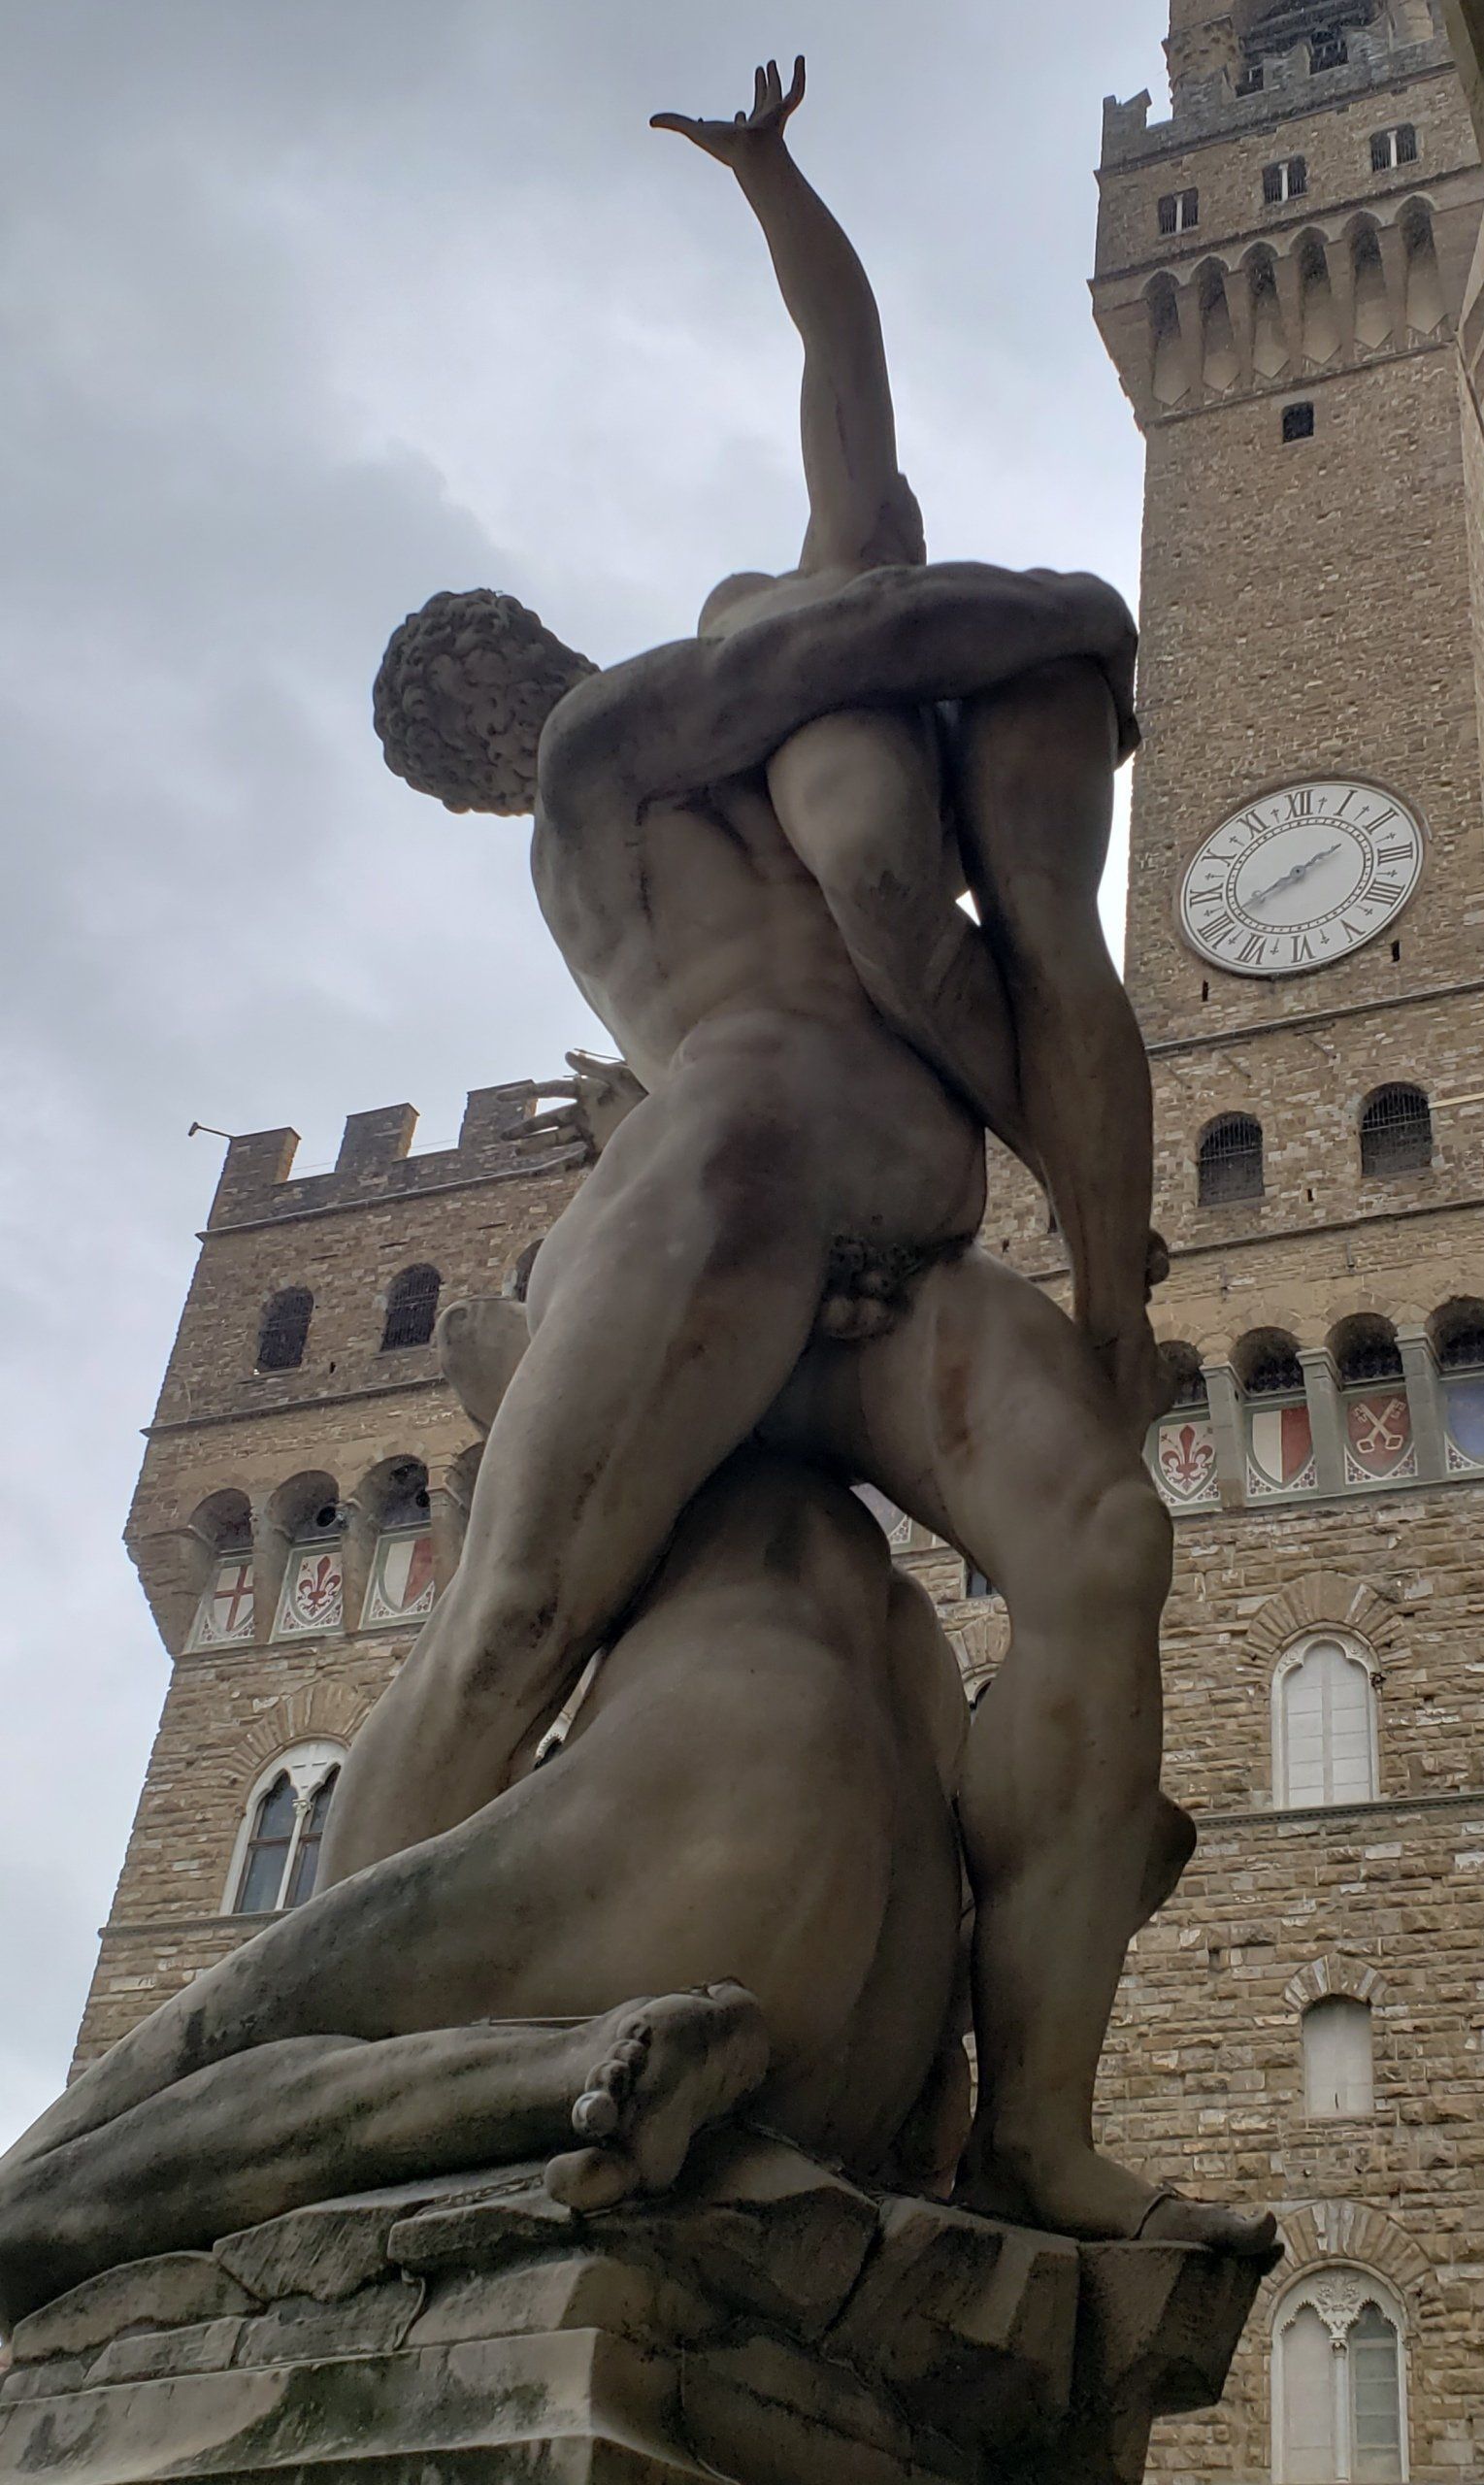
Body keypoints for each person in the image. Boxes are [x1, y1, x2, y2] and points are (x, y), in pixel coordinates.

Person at [334, 61, 1270, 2253]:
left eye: (490, 670)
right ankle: (313, 2065)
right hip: (737, 1189)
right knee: (510, 1624)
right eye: (474, 712)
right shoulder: (605, 776)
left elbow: (846, 408)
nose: (510, 700)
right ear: (487, 758)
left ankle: (1031, 2117)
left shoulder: (746, 659)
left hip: (881, 1254)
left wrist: (780, 189)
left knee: (1102, 1547)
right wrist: (1052, 624)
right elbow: (876, 617)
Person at [0, 1439, 973, 2330]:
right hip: (872, 2026)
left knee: (143, 2129)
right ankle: (585, 2068)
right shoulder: (917, 1606)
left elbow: (504, 1627)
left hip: (697, 1836)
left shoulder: (651, 1315)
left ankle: (562, 2069)